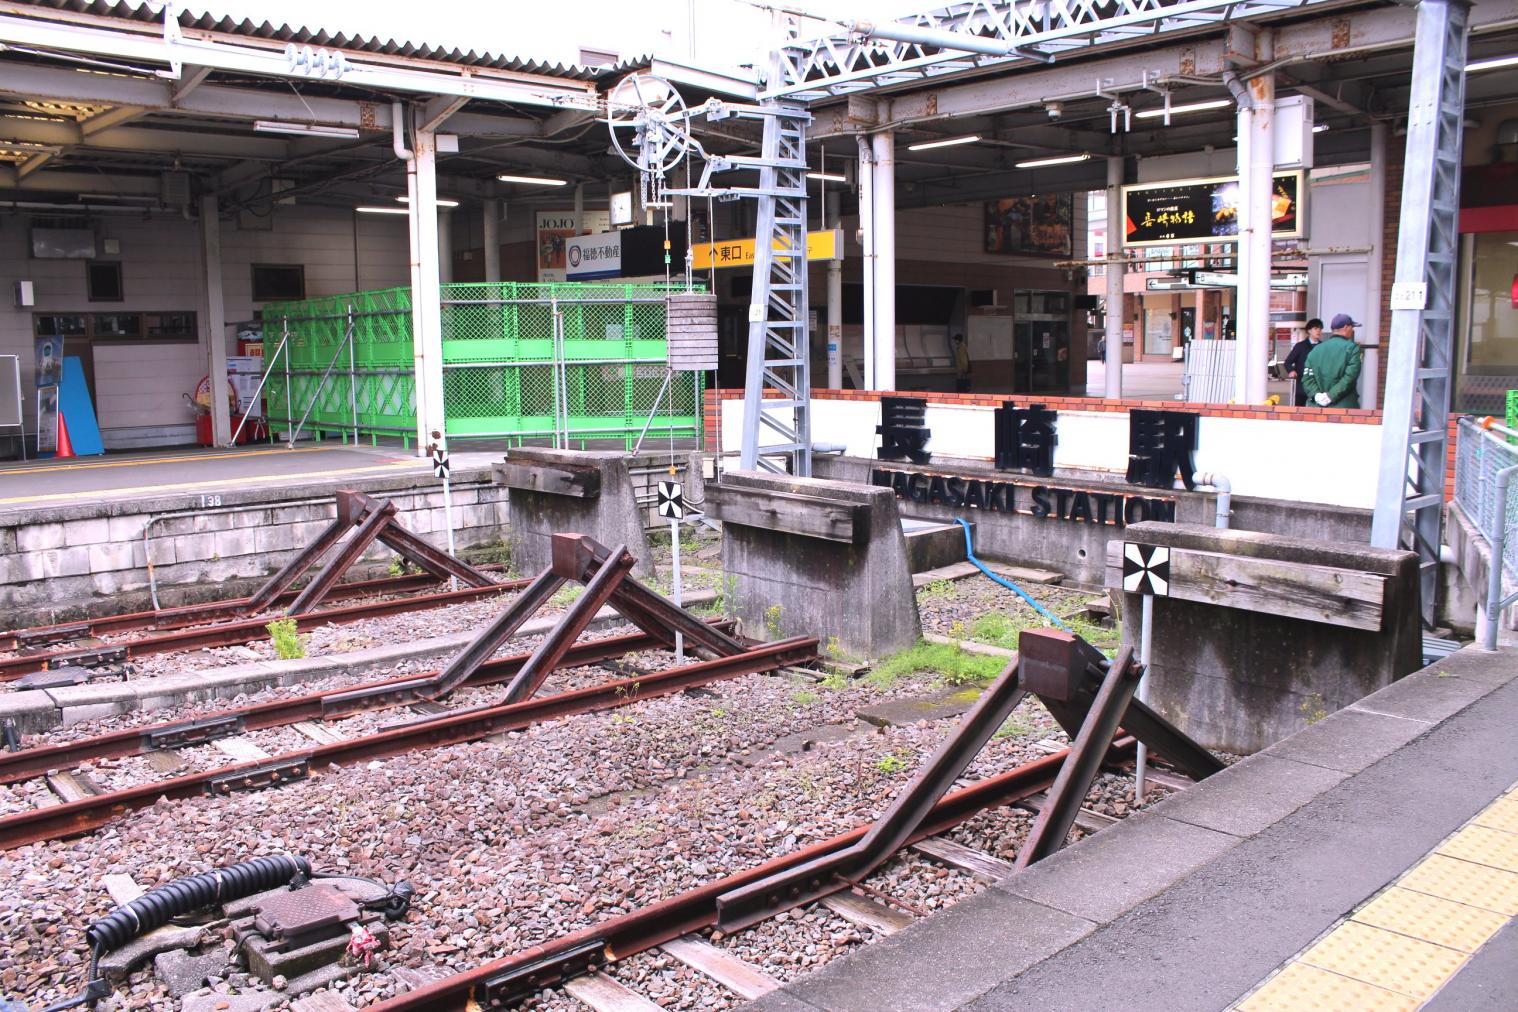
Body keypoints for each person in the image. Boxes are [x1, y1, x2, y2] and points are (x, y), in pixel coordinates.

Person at [1301, 313, 1363, 408]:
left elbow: (1307, 377)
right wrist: (1330, 396)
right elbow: (1350, 377)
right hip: (1344, 407)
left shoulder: (1316, 349)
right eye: (1352, 327)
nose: (1352, 330)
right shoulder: (1352, 348)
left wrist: (1316, 395)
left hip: (1316, 408)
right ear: (1346, 327)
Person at [1282, 318, 1323, 406]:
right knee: (1299, 411)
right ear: (1309, 330)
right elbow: (1288, 362)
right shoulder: (1300, 346)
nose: (1318, 331)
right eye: (1316, 328)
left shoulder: (1323, 346)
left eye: (1320, 329)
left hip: (1318, 387)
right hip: (1301, 386)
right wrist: (1291, 371)